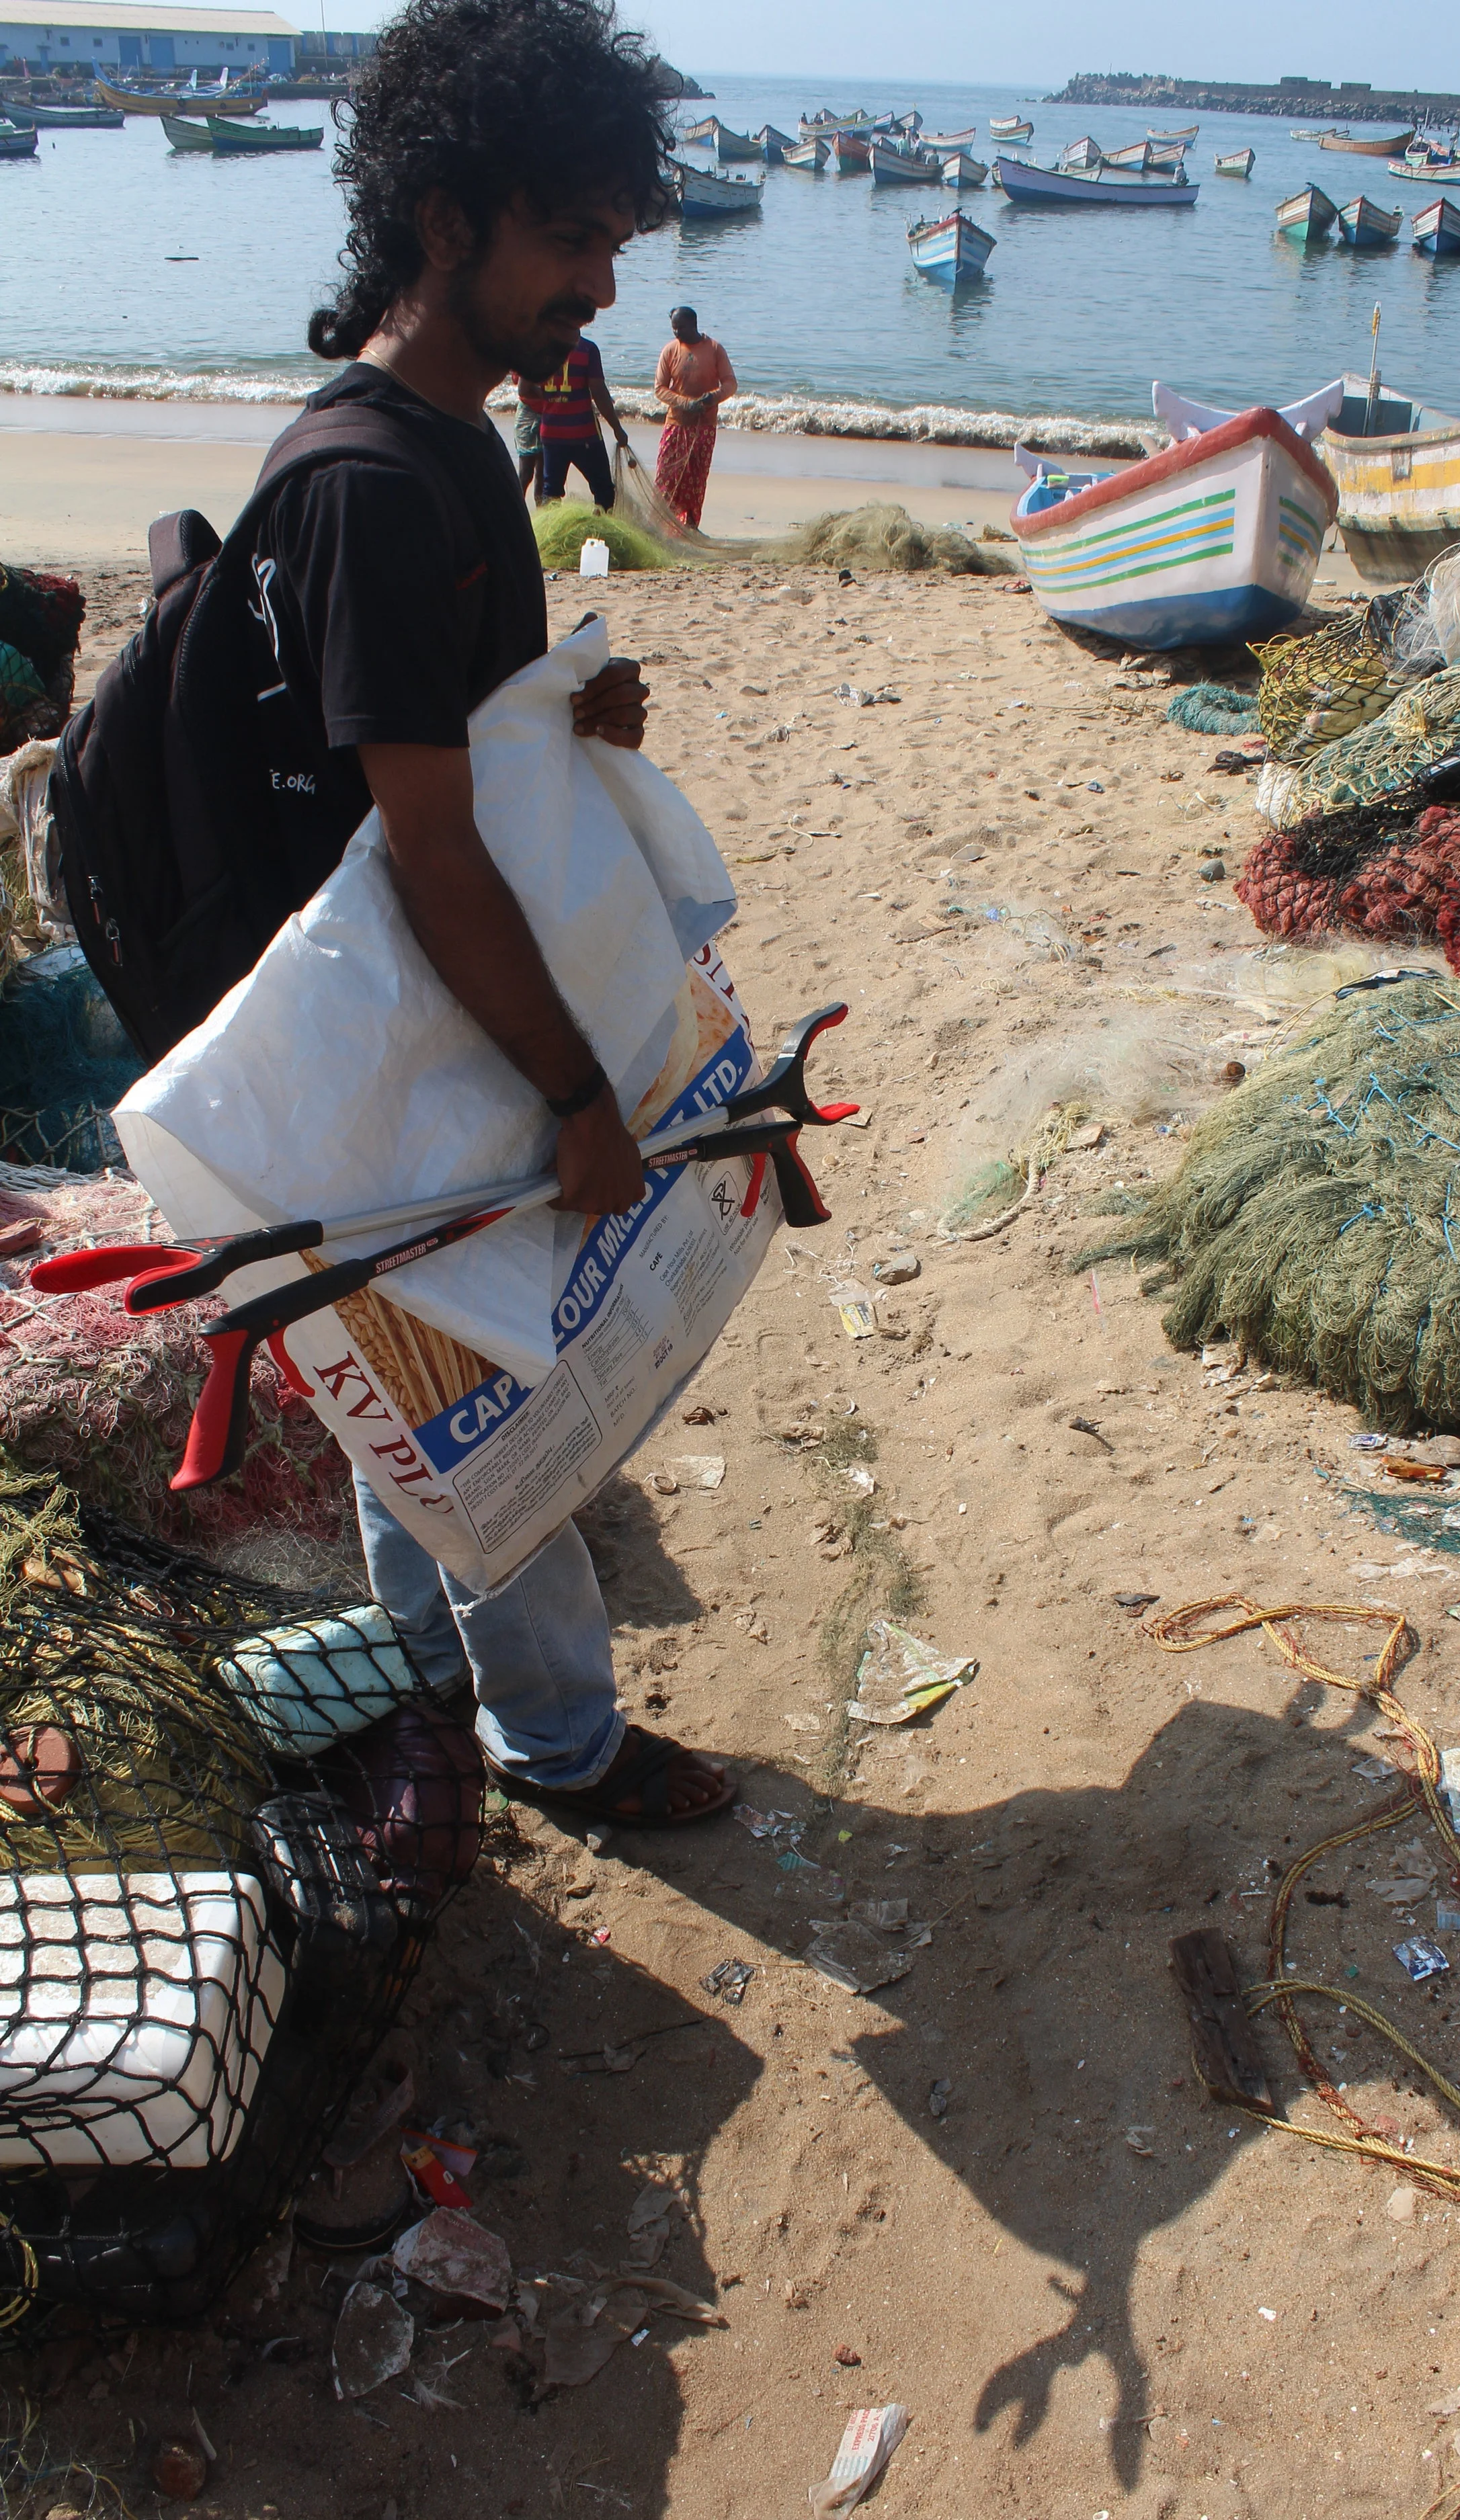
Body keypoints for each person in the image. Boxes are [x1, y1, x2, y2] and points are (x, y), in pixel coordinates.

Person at [251, 0, 735, 1827]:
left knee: (422, 1388)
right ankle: (567, 1750)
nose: (599, 287)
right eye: (568, 236)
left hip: (424, 1000)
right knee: (489, 1403)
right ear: (444, 220)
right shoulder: (378, 479)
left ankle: (441, 1694)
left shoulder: (456, 440)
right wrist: (572, 1094)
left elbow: (451, 751)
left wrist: (563, 717)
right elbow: (427, 844)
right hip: (394, 1024)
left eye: (616, 242)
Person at [519, 335, 631, 507]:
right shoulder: (587, 349)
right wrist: (617, 428)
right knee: (603, 490)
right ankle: (601, 530)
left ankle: (552, 531)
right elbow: (599, 393)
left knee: (552, 491)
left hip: (552, 433)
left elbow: (524, 390)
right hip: (584, 434)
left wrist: (551, 398)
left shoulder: (539, 348)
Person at [653, 304, 735, 528]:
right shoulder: (670, 350)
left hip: (704, 426)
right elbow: (660, 388)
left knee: (696, 479)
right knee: (666, 476)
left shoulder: (715, 349)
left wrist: (712, 398)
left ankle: (689, 526)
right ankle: (662, 523)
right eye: (673, 329)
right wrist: (686, 403)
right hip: (676, 424)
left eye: (680, 328)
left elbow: (730, 383)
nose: (676, 333)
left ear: (693, 325)